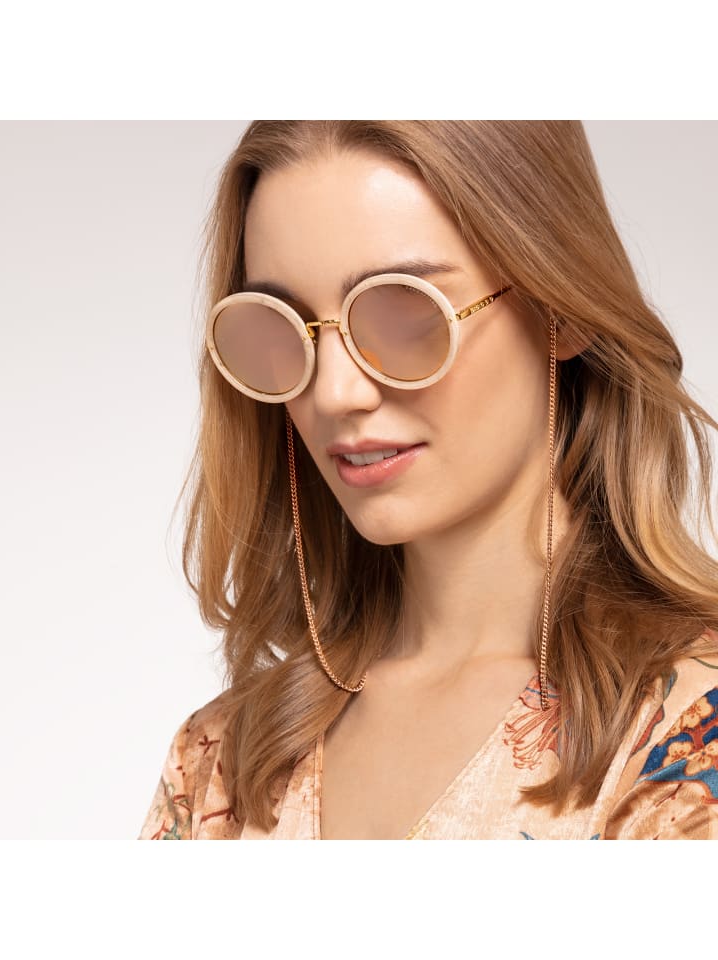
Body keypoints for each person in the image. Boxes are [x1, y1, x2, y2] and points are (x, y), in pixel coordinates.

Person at [139, 121, 718, 840]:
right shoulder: (222, 760)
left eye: (405, 313)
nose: (334, 393)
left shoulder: (690, 729)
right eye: (284, 326)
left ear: (561, 307)